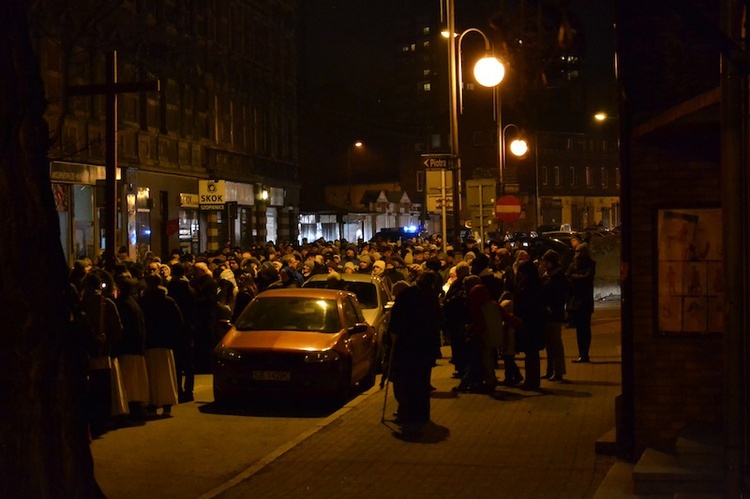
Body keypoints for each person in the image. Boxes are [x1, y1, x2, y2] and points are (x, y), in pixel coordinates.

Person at [389, 272, 441, 434]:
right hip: (425, 346)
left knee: (407, 381)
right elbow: (437, 321)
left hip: (408, 345)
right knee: (422, 381)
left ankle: (407, 412)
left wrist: (393, 338)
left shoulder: (407, 295)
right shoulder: (431, 298)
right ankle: (421, 414)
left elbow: (396, 320)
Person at [139, 273, 182, 417]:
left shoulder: (143, 301)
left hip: (150, 341)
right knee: (165, 375)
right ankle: (167, 404)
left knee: (151, 375)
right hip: (165, 341)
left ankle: (152, 404)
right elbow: (178, 321)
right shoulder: (168, 301)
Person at [512, 260, 545, 390]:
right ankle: (532, 380)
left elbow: (526, 304)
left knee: (531, 354)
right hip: (532, 323)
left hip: (529, 323)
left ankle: (532, 381)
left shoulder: (529, 286)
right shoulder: (535, 284)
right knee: (532, 354)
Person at [540, 250, 568, 382]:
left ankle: (558, 372)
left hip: (553, 313)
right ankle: (550, 370)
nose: (543, 264)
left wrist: (550, 307)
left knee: (555, 343)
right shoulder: (550, 275)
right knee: (550, 344)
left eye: (545, 261)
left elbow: (558, 295)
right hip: (549, 313)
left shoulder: (557, 277)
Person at [566, 242, 596, 363]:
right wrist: (576, 277)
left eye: (578, 252)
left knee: (585, 328)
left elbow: (587, 278)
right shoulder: (573, 265)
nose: (576, 254)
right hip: (576, 299)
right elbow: (567, 277)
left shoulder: (590, 264)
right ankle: (581, 353)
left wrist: (575, 277)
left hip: (585, 300)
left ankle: (585, 353)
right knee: (580, 329)